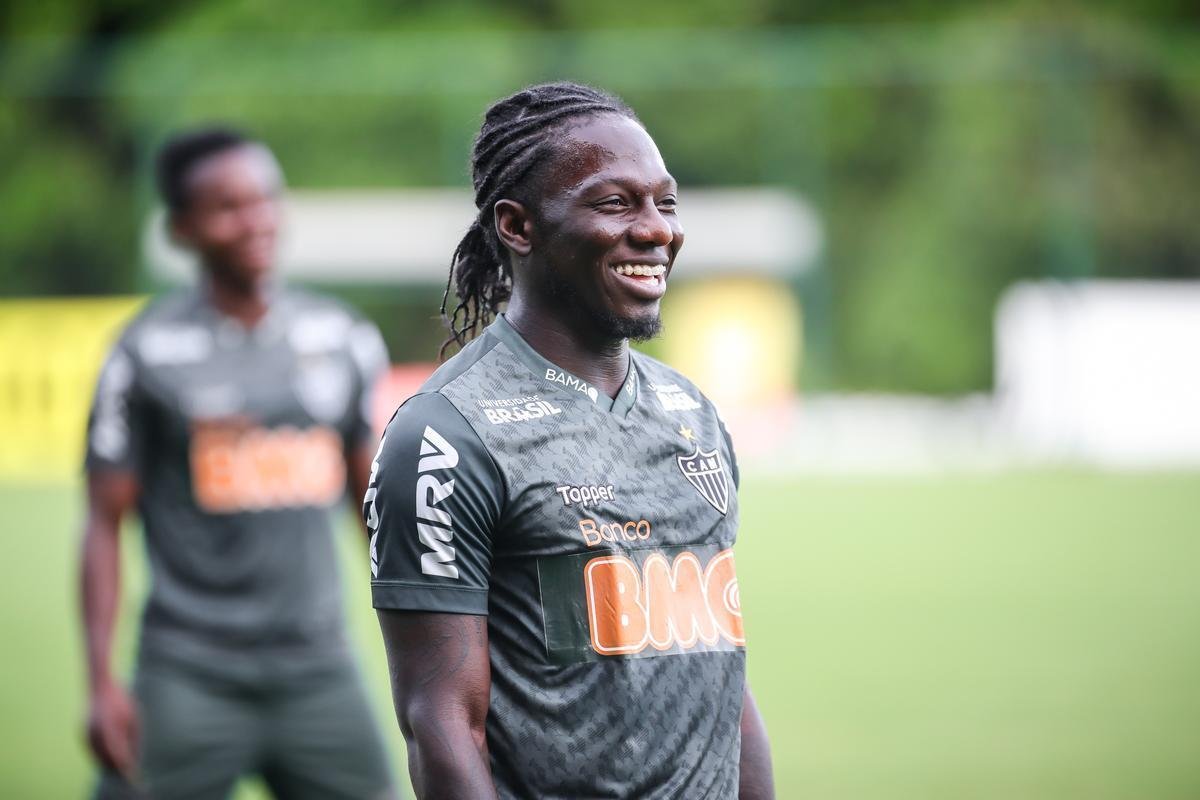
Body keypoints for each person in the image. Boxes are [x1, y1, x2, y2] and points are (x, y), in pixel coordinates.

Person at [367, 82, 775, 799]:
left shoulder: (692, 412)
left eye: (666, 202)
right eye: (615, 203)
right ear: (519, 226)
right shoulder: (446, 436)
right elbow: (441, 724)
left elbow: (723, 679)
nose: (657, 231)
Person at [80, 127, 396, 800]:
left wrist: (432, 649)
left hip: (320, 671)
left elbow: (375, 512)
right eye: (229, 207)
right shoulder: (143, 352)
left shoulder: (342, 336)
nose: (258, 222)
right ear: (183, 230)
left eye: (266, 200)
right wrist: (101, 683)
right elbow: (103, 523)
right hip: (187, 673)